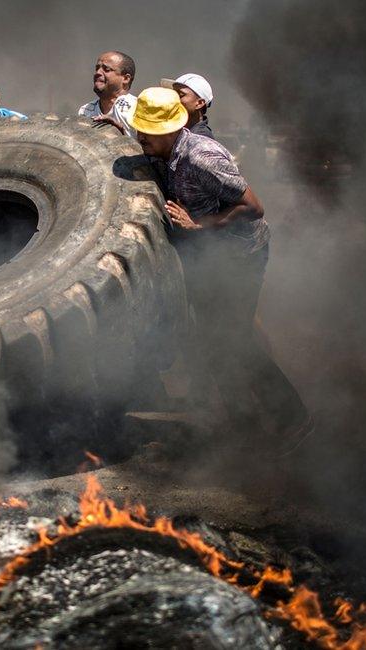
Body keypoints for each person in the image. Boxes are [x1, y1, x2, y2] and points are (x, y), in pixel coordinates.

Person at [130, 86, 311, 455]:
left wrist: (201, 226)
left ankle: (293, 418)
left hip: (240, 254)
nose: (140, 136)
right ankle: (242, 422)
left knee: (234, 339)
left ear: (169, 129)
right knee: (213, 341)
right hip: (208, 256)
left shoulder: (202, 157)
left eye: (147, 130)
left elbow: (253, 207)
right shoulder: (161, 153)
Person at [78, 51, 138, 136]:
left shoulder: (136, 109)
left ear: (125, 78)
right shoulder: (85, 110)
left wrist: (122, 135)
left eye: (106, 69)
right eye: (97, 68)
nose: (98, 72)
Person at [161, 73, 215, 139]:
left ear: (199, 103)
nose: (174, 98)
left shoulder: (200, 138)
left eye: (180, 95)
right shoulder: (182, 133)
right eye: (174, 94)